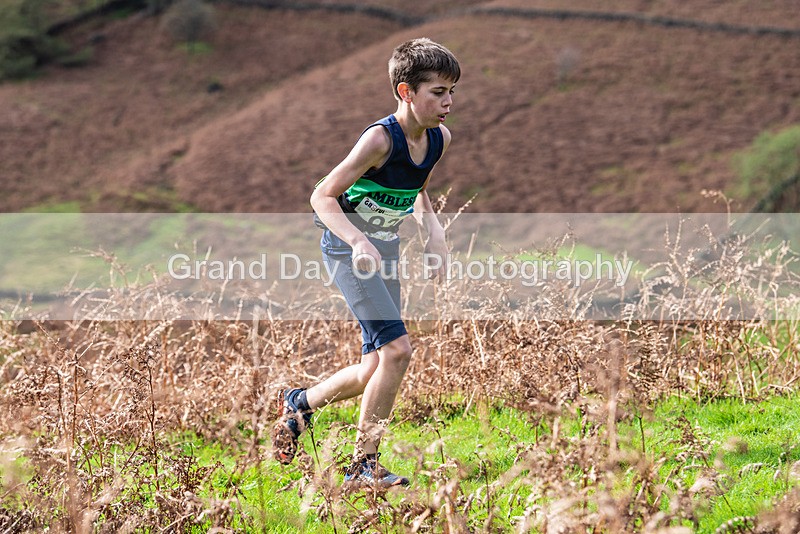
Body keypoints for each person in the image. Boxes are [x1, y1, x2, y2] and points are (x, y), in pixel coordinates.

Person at [271, 37, 460, 488]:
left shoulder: (438, 139)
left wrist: (433, 232)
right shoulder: (379, 140)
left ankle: (299, 404)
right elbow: (322, 196)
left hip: (385, 252)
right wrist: (357, 240)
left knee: (373, 367)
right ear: (405, 92)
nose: (449, 102)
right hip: (348, 252)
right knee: (397, 351)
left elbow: (417, 188)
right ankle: (362, 466)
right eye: (438, 92)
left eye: (452, 91)